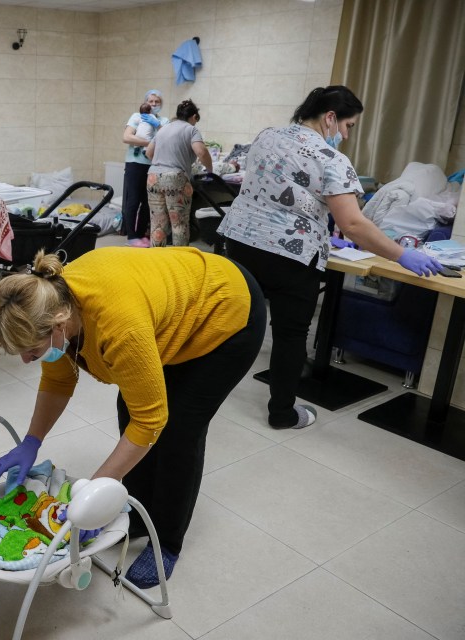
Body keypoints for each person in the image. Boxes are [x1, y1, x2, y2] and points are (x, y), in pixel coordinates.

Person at [0, 246, 266, 589]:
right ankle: (137, 515)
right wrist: (31, 441)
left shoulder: (118, 326)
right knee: (130, 408)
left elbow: (150, 421)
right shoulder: (50, 303)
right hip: (175, 309)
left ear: (59, 327)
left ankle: (166, 542)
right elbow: (58, 381)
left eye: (32, 352)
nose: (28, 361)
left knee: (178, 430)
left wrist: (91, 493)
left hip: (227, 311)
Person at [217, 86, 444, 430]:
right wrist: (401, 255)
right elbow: (352, 223)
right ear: (330, 118)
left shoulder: (267, 136)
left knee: (233, 319)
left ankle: (202, 387)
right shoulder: (332, 159)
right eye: (349, 126)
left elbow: (279, 189)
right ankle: (282, 413)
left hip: (238, 241)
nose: (347, 134)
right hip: (288, 256)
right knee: (291, 335)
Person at [145, 99, 213, 247]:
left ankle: (157, 262)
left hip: (153, 177)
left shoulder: (163, 129)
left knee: (157, 224)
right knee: (179, 224)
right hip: (175, 179)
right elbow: (201, 152)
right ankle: (179, 262)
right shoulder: (191, 129)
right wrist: (210, 170)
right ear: (194, 117)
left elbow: (149, 153)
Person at [121, 90, 167, 247]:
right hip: (135, 163)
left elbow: (167, 139)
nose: (153, 104)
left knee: (148, 202)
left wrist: (158, 125)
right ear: (145, 103)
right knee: (133, 200)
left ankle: (141, 235)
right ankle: (132, 237)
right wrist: (150, 143)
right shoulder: (136, 117)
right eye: (150, 101)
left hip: (153, 165)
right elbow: (126, 137)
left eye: (157, 102)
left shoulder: (164, 121)